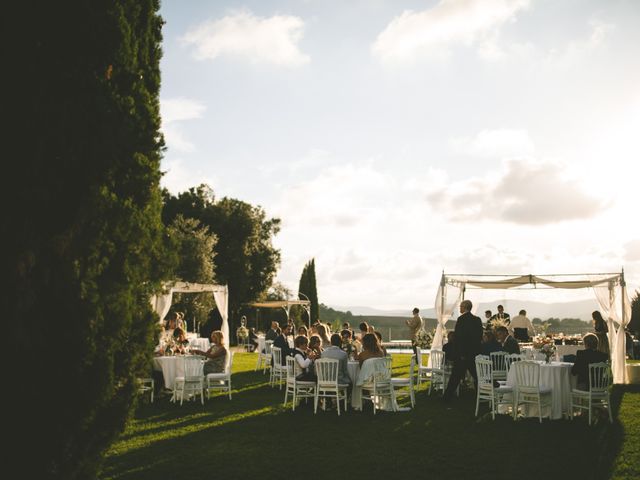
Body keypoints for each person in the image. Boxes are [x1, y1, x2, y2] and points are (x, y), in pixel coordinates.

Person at [443, 299, 483, 402]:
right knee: (477, 376)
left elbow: (459, 337)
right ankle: (482, 394)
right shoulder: (477, 319)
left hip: (462, 355)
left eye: (461, 306)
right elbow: (479, 336)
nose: (459, 308)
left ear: (465, 307)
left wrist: (459, 353)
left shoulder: (461, 319)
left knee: (455, 377)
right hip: (473, 353)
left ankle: (446, 398)